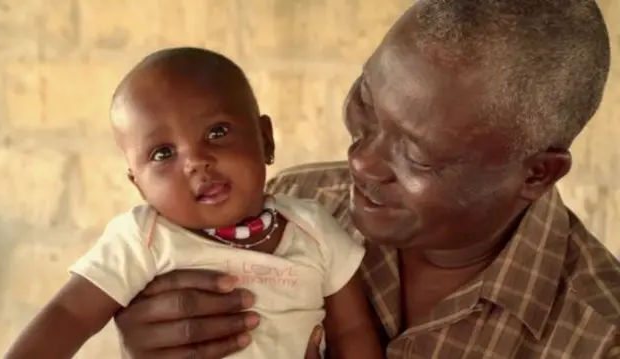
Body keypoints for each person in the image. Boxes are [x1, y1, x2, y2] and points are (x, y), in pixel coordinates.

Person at [113, 0, 620, 358]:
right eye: (366, 103)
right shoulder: (293, 204)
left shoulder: (596, 337)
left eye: (418, 156)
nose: (362, 162)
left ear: (537, 172)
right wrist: (166, 340)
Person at [3, 48, 384, 359]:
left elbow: (352, 333)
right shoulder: (143, 240)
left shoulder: (315, 229)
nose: (195, 161)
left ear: (265, 139)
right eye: (163, 152)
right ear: (139, 186)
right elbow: (68, 316)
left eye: (216, 132)